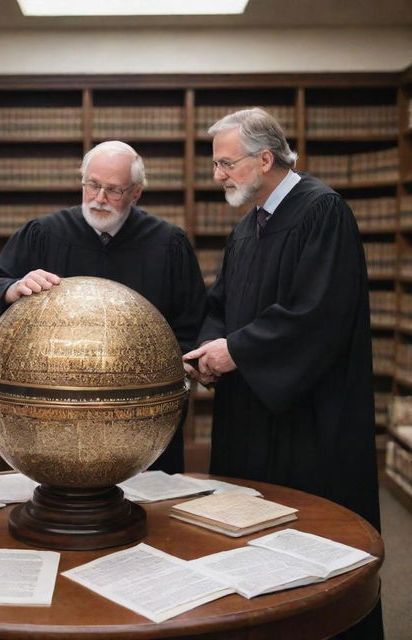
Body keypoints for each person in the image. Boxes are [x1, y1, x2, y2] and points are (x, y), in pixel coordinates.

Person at [183, 108, 382, 639]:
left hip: (306, 415)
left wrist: (239, 351)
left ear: (264, 158)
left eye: (226, 163)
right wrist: (208, 348)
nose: (218, 175)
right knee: (246, 539)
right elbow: (220, 302)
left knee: (309, 547)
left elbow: (317, 313)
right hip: (250, 408)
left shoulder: (322, 211)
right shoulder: (250, 225)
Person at [0, 140, 206, 474]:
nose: (99, 198)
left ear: (136, 193)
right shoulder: (43, 233)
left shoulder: (168, 243)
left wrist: (168, 377)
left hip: (140, 417)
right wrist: (12, 288)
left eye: (113, 190)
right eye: (92, 185)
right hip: (54, 415)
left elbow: (190, 322)